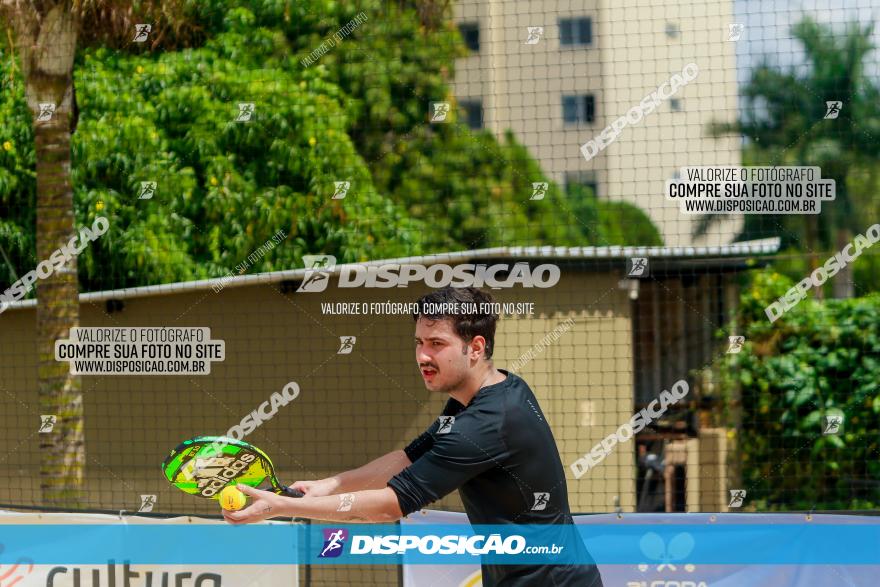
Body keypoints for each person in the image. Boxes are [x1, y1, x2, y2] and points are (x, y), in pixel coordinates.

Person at [224, 286, 604, 586]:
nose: (422, 356)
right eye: (419, 343)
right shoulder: (489, 392)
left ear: (476, 348)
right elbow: (409, 457)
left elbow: (393, 503)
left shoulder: (486, 424)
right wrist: (327, 486)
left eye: (436, 344)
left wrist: (283, 507)